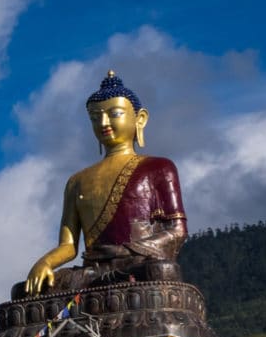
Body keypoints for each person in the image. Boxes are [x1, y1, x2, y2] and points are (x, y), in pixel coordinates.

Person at [24, 71, 187, 295]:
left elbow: (177, 231)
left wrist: (130, 252)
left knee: (162, 271)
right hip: (93, 272)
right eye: (95, 117)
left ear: (140, 118)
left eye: (114, 114)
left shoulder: (159, 168)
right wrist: (45, 263)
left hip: (139, 265)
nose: (103, 123)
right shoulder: (76, 181)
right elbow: (69, 246)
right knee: (28, 290)